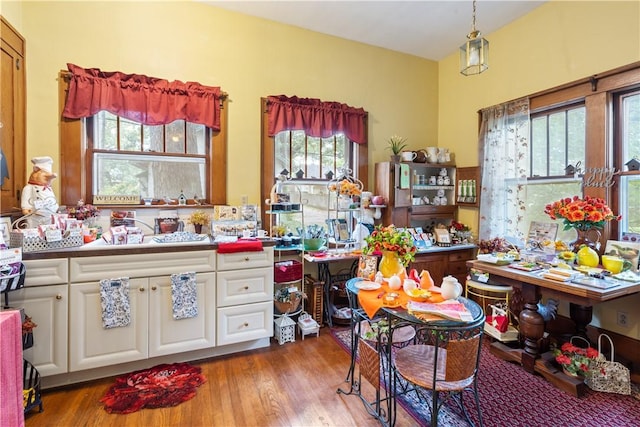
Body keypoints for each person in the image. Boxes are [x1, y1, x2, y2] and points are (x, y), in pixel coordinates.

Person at [21, 156, 59, 228]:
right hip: (35, 218)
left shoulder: (48, 188)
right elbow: (26, 202)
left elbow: (52, 200)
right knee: (35, 233)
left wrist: (55, 207)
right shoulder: (29, 188)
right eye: (44, 173)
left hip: (49, 217)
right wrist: (25, 209)